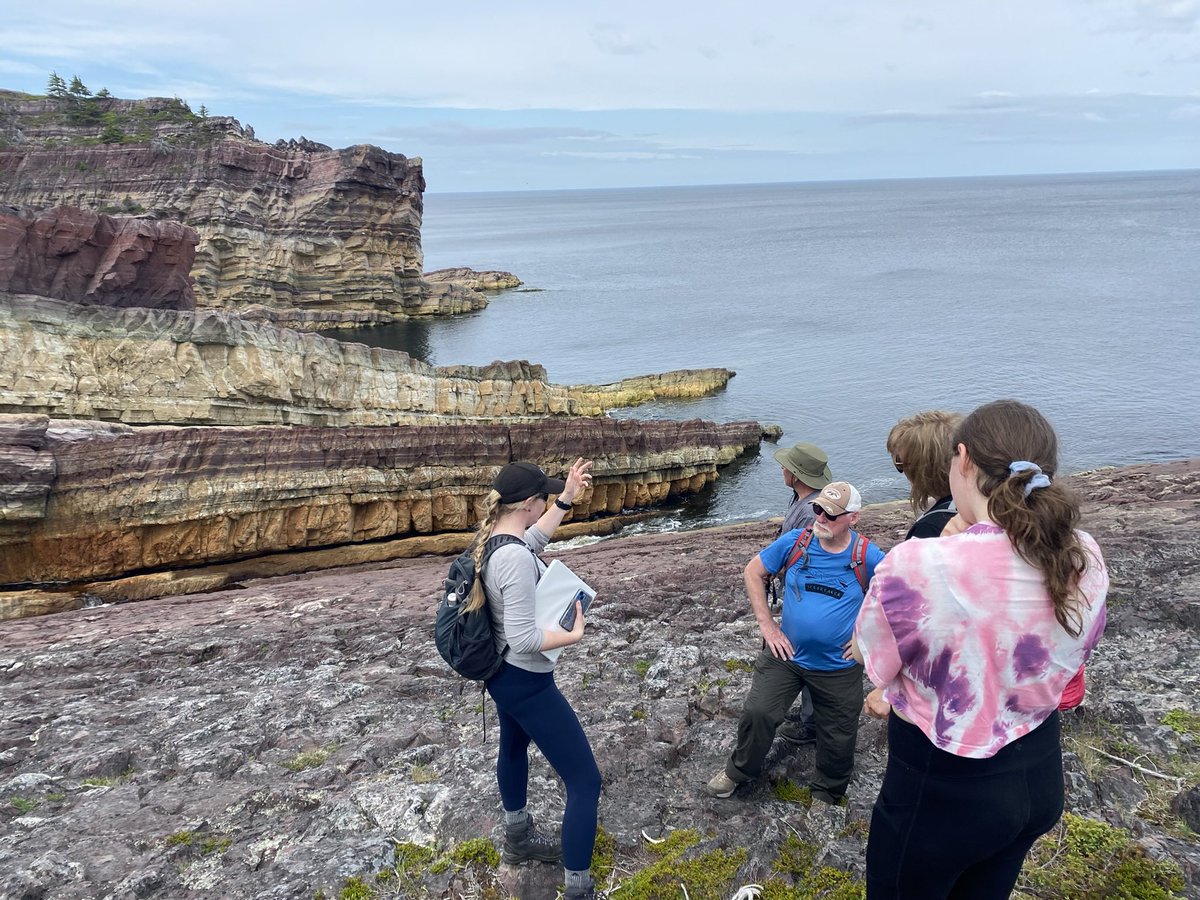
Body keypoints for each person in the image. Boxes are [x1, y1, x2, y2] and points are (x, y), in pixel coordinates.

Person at [852, 400, 1109, 900]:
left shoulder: (919, 563)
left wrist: (950, 547)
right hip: (1038, 772)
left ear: (963, 459)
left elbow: (870, 656)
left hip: (945, 786)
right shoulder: (1082, 552)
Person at [469, 457, 603, 900]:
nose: (545, 502)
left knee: (513, 747)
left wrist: (566, 498)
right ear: (528, 503)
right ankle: (578, 889)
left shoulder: (498, 540)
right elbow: (525, 638)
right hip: (526, 681)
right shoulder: (513, 560)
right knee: (585, 781)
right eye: (543, 497)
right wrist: (573, 633)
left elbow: (535, 539)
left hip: (502, 676)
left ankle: (517, 839)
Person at [706, 481, 885, 805]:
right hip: (786, 657)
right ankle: (739, 771)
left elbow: (894, 598)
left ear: (853, 518)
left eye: (830, 514)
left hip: (837, 665)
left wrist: (864, 639)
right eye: (818, 509)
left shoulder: (866, 556)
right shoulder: (796, 542)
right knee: (758, 712)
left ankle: (827, 793)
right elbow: (753, 572)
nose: (820, 518)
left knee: (839, 733)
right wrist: (767, 626)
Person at [771, 442, 834, 744]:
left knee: (808, 653)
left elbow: (811, 559)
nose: (782, 470)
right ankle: (810, 714)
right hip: (799, 594)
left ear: (796, 475)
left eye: (786, 467)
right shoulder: (803, 498)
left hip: (807, 595)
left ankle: (813, 724)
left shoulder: (812, 512)